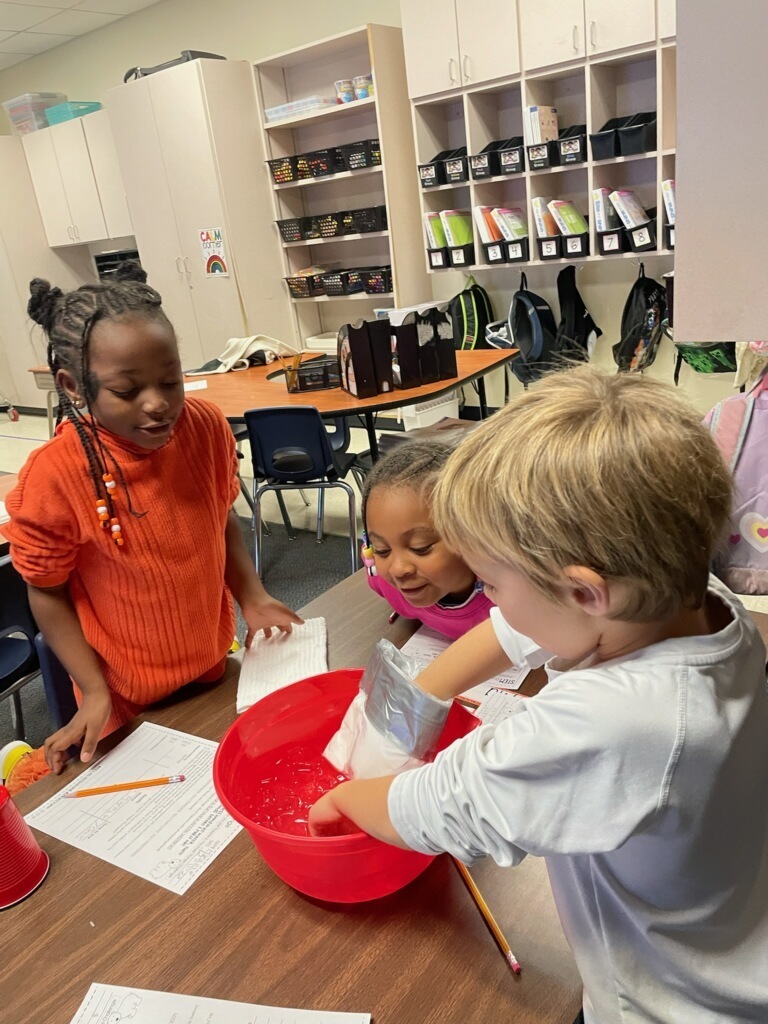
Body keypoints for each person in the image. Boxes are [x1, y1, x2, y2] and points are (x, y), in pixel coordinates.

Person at [310, 366, 768, 1023]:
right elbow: (517, 629)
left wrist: (346, 797)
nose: (489, 601)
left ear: (585, 593)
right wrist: (424, 691)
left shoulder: (616, 720)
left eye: (491, 583)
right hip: (736, 927)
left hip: (673, 1002)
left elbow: (445, 803)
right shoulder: (699, 602)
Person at [3, 262, 302, 777]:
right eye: (126, 391)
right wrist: (94, 690)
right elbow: (45, 590)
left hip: (212, 664)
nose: (159, 404)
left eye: (171, 380)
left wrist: (250, 595)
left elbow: (218, 515)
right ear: (74, 385)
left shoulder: (204, 427)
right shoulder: (54, 476)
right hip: (120, 698)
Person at [362, 438, 493, 639]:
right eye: (382, 549)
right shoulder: (383, 582)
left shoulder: (510, 594)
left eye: (420, 547)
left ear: (472, 533)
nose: (398, 569)